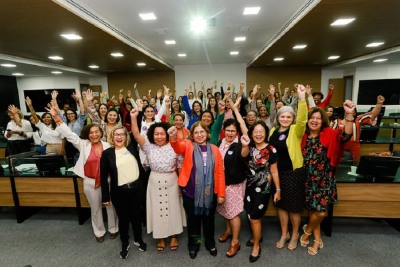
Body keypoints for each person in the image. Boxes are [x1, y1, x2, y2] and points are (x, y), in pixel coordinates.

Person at [47, 102, 119, 243]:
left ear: (101, 133)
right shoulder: (83, 144)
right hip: (90, 182)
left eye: (97, 132)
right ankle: (99, 231)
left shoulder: (108, 146)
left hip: (108, 181)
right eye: (91, 133)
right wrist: (57, 117)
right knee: (95, 208)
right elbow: (68, 133)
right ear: (87, 134)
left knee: (110, 206)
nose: (94, 134)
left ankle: (114, 228)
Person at [300, 100, 356, 256]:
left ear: (323, 120)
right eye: (312, 117)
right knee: (313, 210)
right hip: (307, 180)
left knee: (321, 213)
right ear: (308, 119)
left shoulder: (329, 134)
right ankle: (317, 241)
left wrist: (349, 115)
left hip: (324, 180)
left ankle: (307, 231)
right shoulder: (302, 136)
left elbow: (346, 136)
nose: (315, 120)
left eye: (318, 118)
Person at [130, 108, 186, 252]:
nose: (159, 136)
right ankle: (160, 237)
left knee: (173, 207)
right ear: (152, 135)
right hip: (154, 180)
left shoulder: (174, 146)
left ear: (167, 134)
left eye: (162, 133)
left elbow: (180, 166)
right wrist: (133, 117)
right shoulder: (148, 146)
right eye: (156, 134)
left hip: (172, 180)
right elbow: (136, 135)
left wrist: (181, 185)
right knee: (158, 208)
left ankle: (173, 235)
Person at [168, 122, 225, 259]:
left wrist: (221, 193)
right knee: (193, 222)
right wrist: (173, 137)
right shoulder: (188, 146)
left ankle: (210, 243)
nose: (199, 135)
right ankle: (194, 245)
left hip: (210, 193)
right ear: (192, 135)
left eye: (202, 132)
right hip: (190, 192)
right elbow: (177, 147)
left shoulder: (215, 149)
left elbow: (219, 173)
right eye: (196, 133)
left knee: (209, 221)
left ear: (207, 133)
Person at [268, 84, 307, 251]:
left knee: (294, 206)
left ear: (292, 118)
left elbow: (303, 120)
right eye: (282, 116)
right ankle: (285, 233)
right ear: (278, 118)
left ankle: (296, 233)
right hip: (277, 174)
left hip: (293, 173)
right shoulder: (273, 132)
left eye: (288, 117)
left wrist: (302, 99)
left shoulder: (295, 130)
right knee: (281, 205)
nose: (285, 119)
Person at [100, 126, 148, 259]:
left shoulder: (132, 148)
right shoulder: (107, 153)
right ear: (112, 137)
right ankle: (125, 243)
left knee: (137, 216)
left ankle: (138, 239)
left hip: (136, 189)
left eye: (122, 134)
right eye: (116, 135)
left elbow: (139, 167)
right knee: (124, 219)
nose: (119, 137)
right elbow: (103, 177)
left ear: (126, 137)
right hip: (119, 192)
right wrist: (105, 196)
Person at [240, 121, 281, 263]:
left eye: (261, 131)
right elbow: (243, 155)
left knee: (254, 217)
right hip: (249, 186)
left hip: (263, 189)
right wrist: (245, 145)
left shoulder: (271, 149)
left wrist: (278, 190)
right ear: (251, 134)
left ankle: (257, 245)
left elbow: (274, 171)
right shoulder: (249, 147)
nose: (258, 134)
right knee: (251, 214)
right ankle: (257, 236)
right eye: (255, 131)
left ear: (266, 133)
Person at [216, 98, 248, 258]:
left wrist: (235, 109)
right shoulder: (221, 142)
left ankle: (236, 241)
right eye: (227, 130)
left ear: (237, 132)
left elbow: (244, 155)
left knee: (234, 213)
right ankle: (228, 231)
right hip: (221, 184)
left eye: (232, 131)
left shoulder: (240, 144)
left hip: (234, 184)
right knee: (225, 210)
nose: (230, 133)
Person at [333, 95, 385, 165]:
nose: (349, 111)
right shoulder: (337, 121)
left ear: (354, 112)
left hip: (354, 145)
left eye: (352, 109)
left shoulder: (358, 119)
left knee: (354, 164)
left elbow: (373, 114)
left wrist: (379, 104)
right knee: (338, 164)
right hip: (339, 145)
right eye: (347, 109)